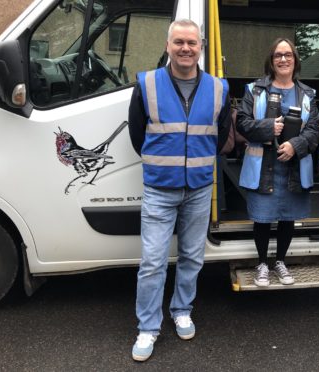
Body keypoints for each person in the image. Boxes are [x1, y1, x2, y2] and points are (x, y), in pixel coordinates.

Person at [127, 19, 231, 362]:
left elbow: (221, 134)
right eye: (179, 42)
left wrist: (197, 162)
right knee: (153, 261)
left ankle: (181, 309)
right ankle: (147, 328)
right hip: (159, 188)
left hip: (200, 188)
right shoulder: (147, 84)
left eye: (192, 42)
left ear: (201, 46)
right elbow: (137, 135)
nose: (185, 48)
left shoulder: (218, 88)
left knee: (192, 256)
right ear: (168, 45)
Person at [236, 38, 319, 287]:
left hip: (293, 166)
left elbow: (314, 130)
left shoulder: (307, 94)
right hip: (263, 166)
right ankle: (262, 263)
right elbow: (241, 122)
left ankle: (280, 261)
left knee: (287, 217)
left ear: (295, 60)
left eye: (288, 55)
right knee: (262, 218)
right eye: (278, 55)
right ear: (271, 61)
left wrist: (296, 145)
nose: (283, 59)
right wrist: (268, 127)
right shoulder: (254, 90)